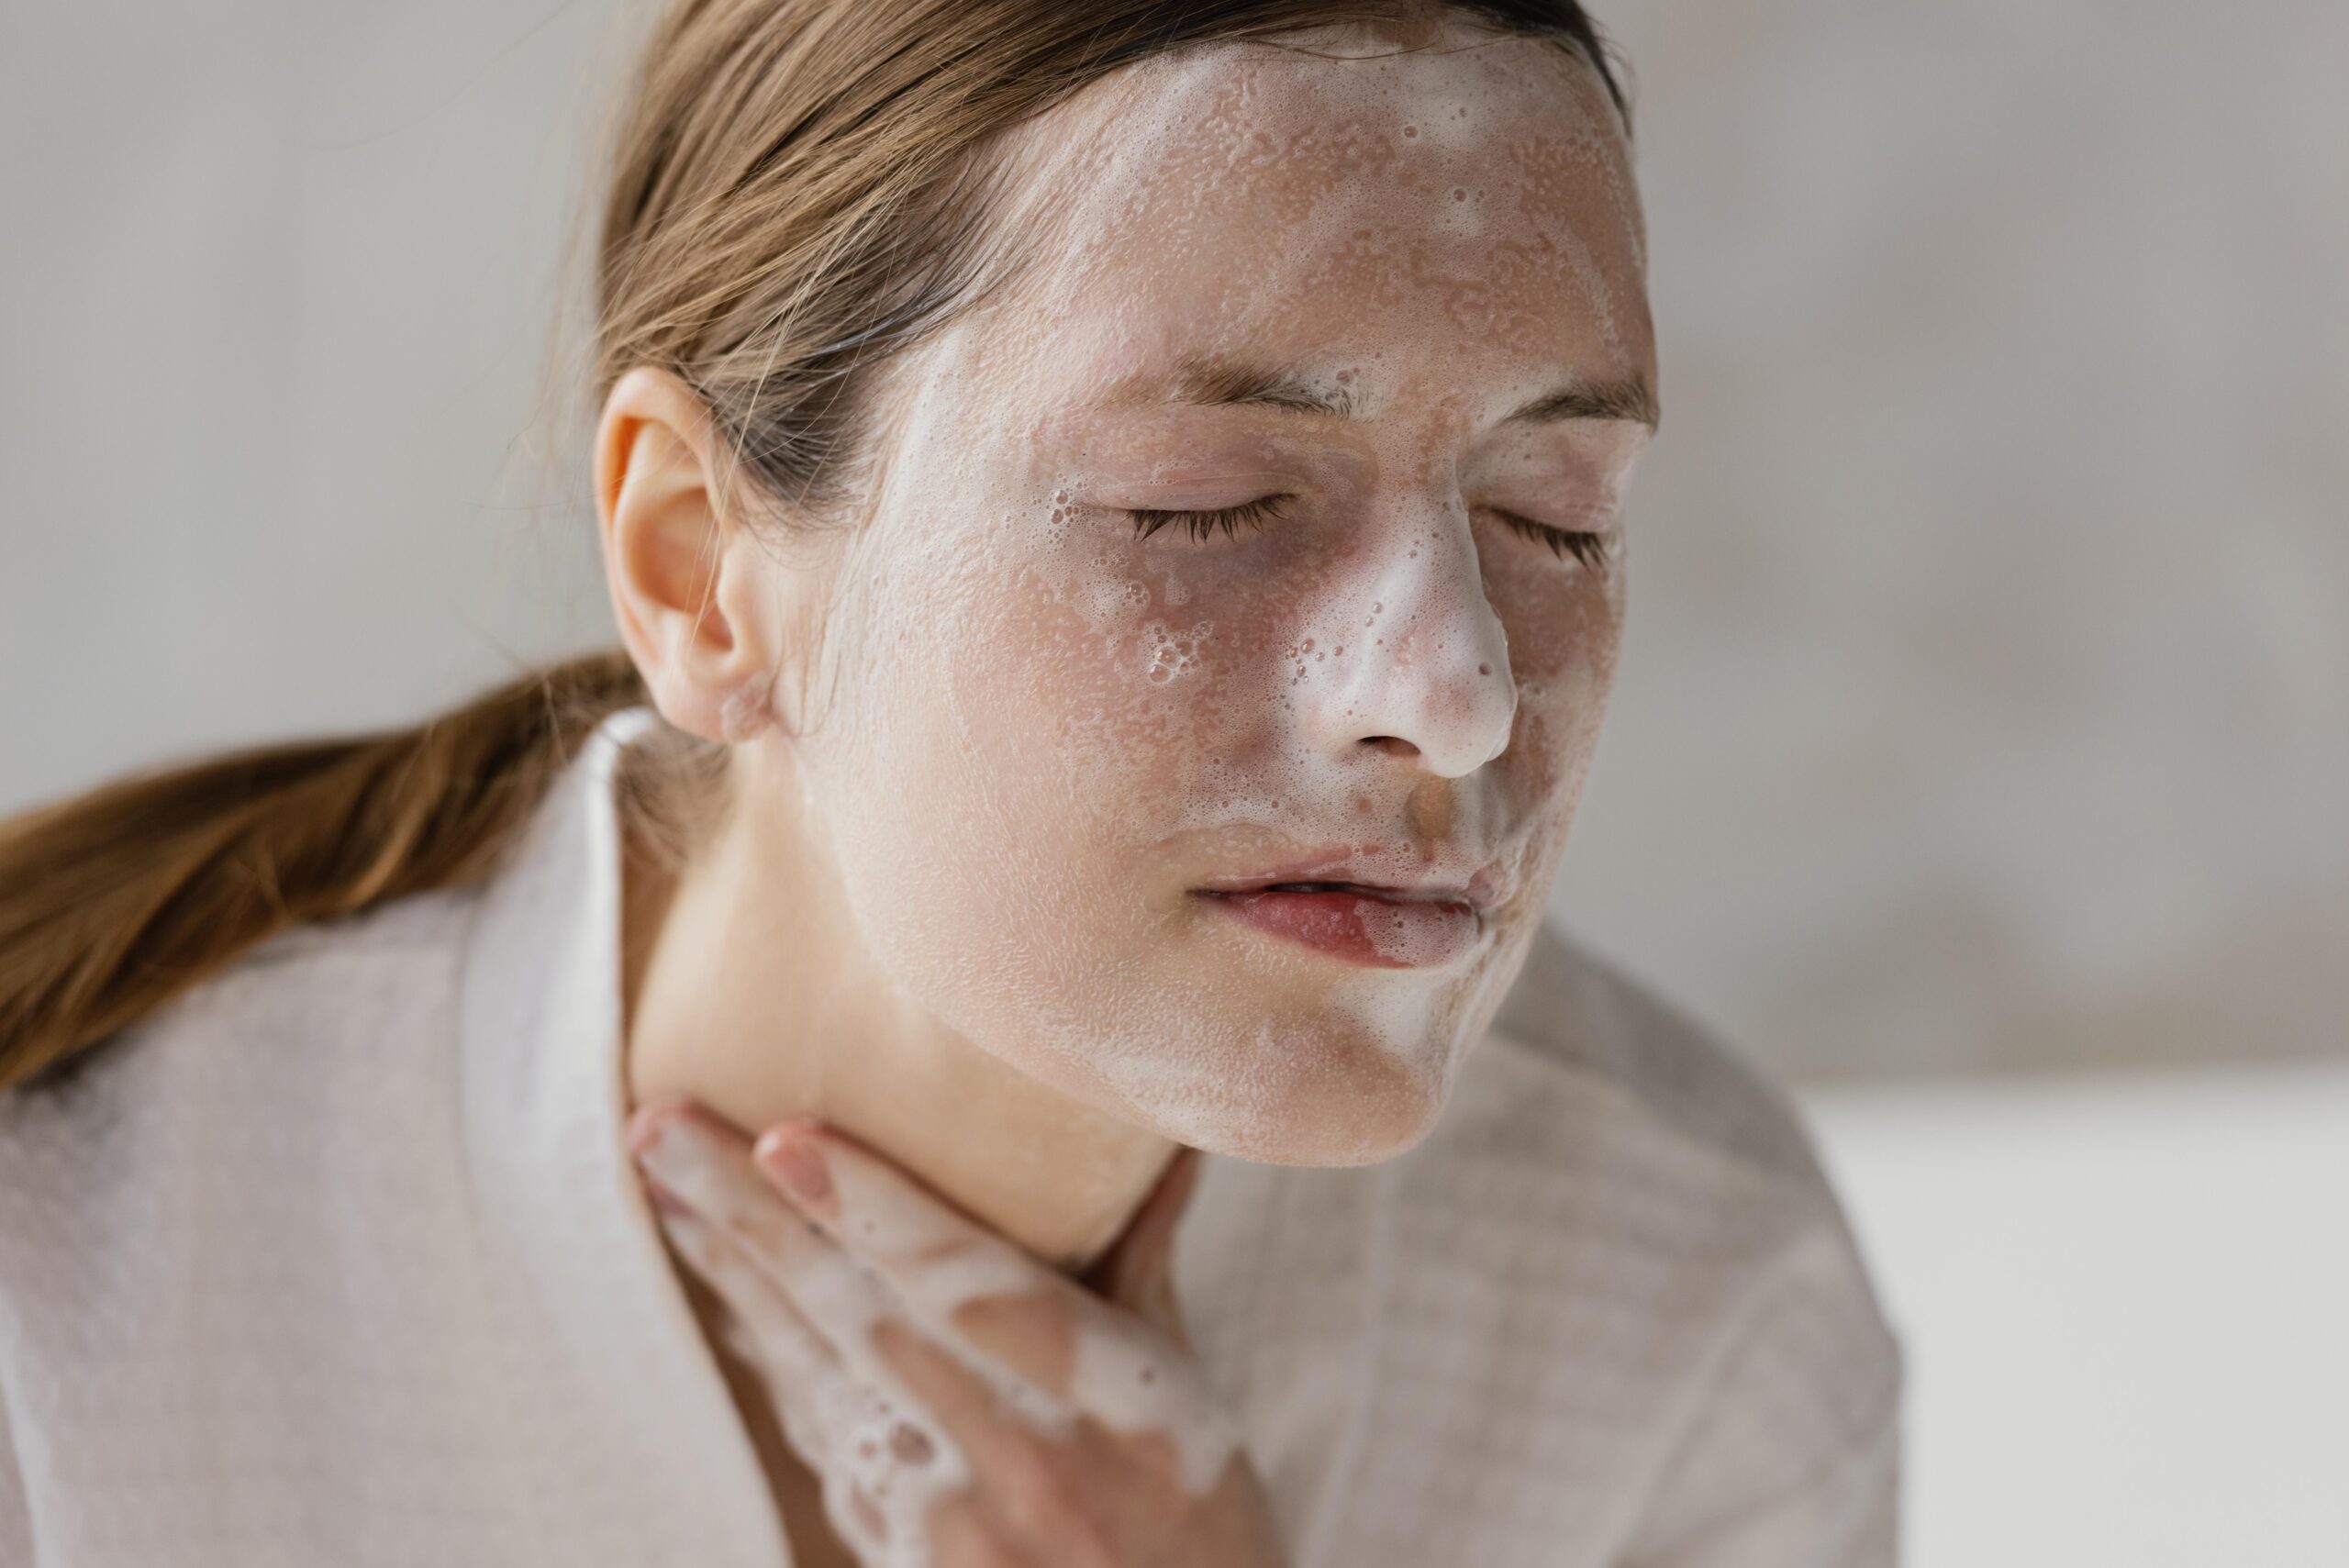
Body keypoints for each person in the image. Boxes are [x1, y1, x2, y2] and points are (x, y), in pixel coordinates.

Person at [0, 2, 1902, 1563]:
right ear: (697, 567)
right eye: (1208, 502)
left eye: (1554, 513)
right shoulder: (65, 1303)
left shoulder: (1689, 1321)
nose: (1458, 697)